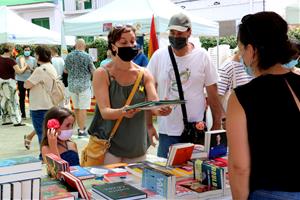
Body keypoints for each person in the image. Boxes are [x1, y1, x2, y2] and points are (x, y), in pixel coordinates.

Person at [227, 11, 300, 200]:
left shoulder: (241, 97)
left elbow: (239, 167)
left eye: (241, 49)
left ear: (252, 50)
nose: (242, 55)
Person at [89, 25, 171, 164]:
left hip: (137, 145)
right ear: (113, 46)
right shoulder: (102, 73)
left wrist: (162, 110)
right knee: (110, 184)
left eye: (132, 41)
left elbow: (153, 104)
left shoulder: (144, 73)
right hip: (109, 145)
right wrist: (123, 112)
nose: (130, 45)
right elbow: (105, 112)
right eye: (123, 42)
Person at [147, 13, 223, 158]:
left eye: (180, 33)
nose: (175, 37)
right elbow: (148, 90)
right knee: (167, 174)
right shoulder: (158, 56)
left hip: (196, 129)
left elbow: (213, 93)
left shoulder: (202, 56)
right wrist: (149, 125)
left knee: (195, 174)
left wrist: (217, 124)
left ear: (189, 32)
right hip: (167, 131)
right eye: (172, 32)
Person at [24, 45, 58, 158]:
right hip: (50, 104)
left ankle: (43, 156)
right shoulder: (51, 67)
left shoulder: (40, 69)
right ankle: (49, 156)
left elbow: (26, 84)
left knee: (41, 134)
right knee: (48, 133)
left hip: (39, 106)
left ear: (38, 55)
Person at [65, 39, 96, 137]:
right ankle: (82, 130)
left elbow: (65, 70)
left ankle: (79, 128)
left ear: (75, 45)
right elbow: (93, 71)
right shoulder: (87, 56)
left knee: (77, 108)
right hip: (84, 85)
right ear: (84, 46)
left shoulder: (68, 56)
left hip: (72, 85)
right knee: (83, 108)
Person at [0, 43, 27, 126]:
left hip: (0, 81)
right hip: (10, 82)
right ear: (10, 50)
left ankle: (5, 119)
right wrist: (25, 67)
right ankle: (17, 120)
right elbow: (19, 72)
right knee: (14, 100)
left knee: (3, 100)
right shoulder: (11, 61)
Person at [16, 46, 37, 119]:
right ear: (23, 51)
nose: (27, 51)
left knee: (31, 97)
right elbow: (18, 70)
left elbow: (35, 70)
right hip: (21, 80)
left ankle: (31, 114)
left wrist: (30, 69)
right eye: (25, 50)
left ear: (30, 51)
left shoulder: (33, 59)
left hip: (30, 80)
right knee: (21, 98)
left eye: (28, 50)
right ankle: (23, 114)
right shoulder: (19, 58)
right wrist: (24, 68)